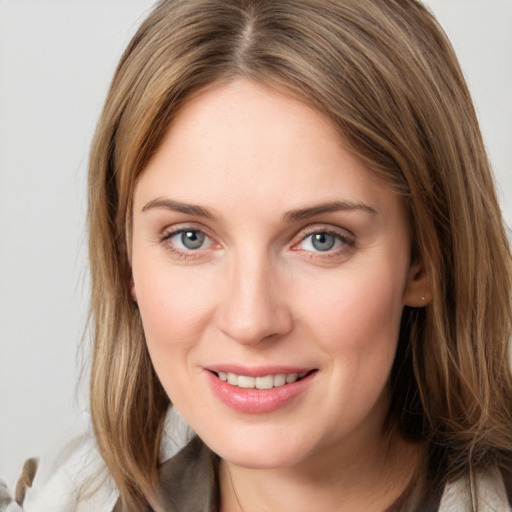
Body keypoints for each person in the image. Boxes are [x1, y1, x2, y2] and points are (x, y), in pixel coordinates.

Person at [4, 0, 512, 511]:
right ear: (125, 256)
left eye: (322, 239)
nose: (250, 321)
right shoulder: (55, 496)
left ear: (425, 257)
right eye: (190, 238)